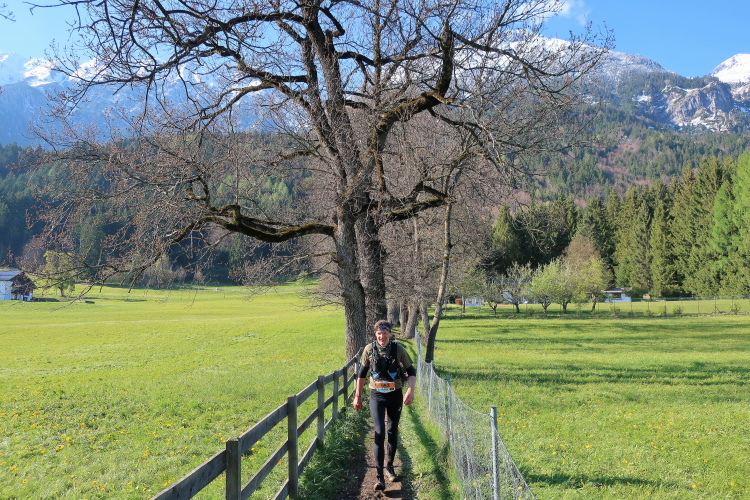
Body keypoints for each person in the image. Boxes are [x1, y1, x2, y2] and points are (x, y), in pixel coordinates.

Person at [353, 320, 417, 491]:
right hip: (377, 395)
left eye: (385, 333)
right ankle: (379, 476)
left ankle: (390, 467)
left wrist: (410, 390)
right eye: (379, 334)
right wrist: (357, 396)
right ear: (376, 334)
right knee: (380, 431)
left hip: (395, 395)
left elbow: (411, 371)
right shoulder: (369, 349)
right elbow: (361, 373)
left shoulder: (398, 349)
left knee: (392, 430)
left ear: (390, 334)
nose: (382, 336)